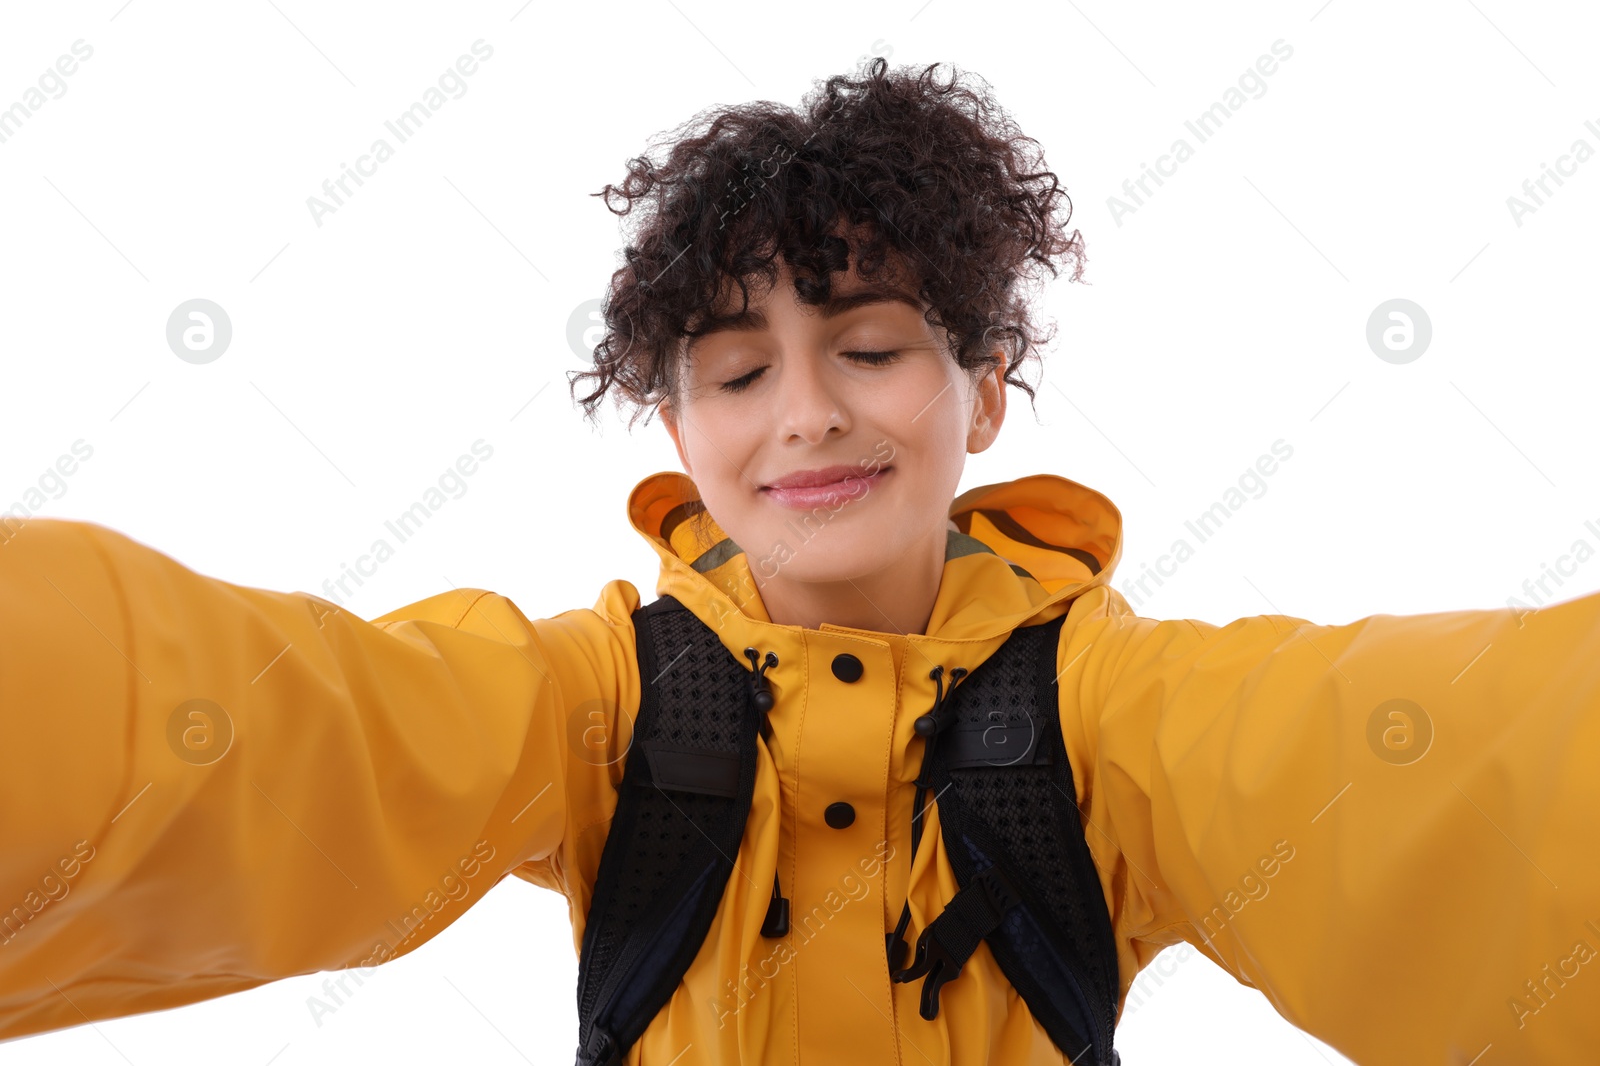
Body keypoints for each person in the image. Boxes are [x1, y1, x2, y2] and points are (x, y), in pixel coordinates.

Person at [3, 56, 1599, 1066]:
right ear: (679, 427)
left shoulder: (1115, 710)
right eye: (739, 371)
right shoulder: (597, 702)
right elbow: (283, 728)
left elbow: (1444, 764)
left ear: (980, 390)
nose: (809, 419)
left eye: (872, 348)